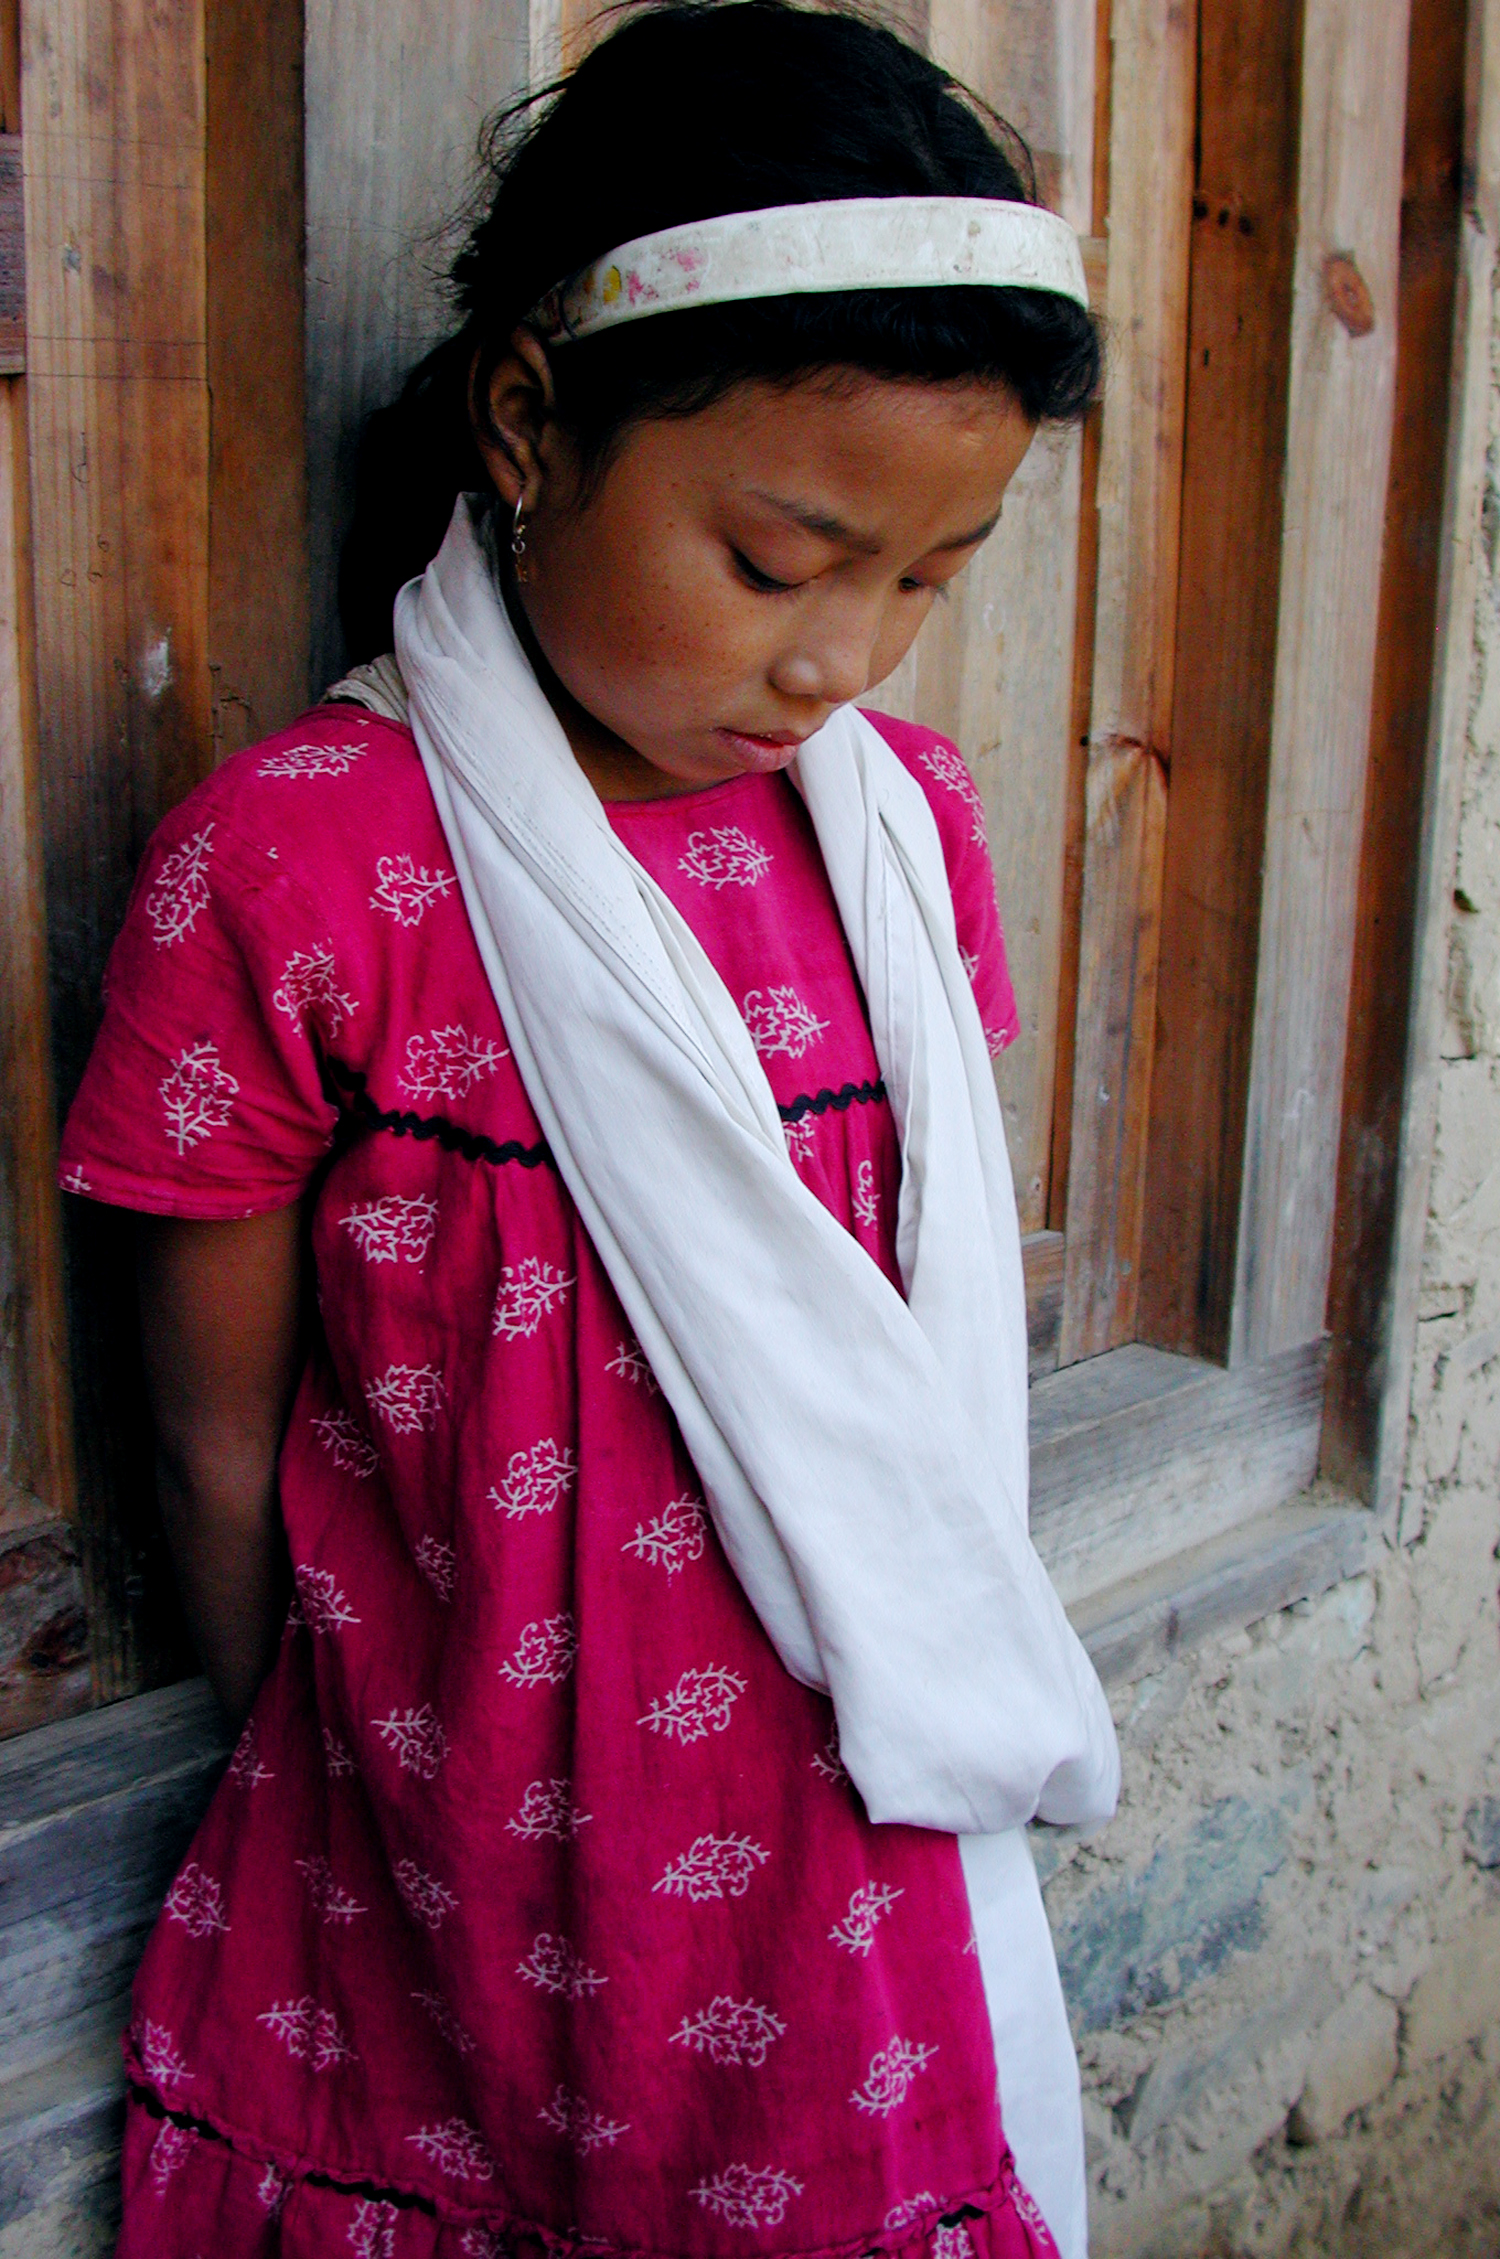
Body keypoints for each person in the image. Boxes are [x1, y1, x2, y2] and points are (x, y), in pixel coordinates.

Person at [60, 6, 1121, 2254]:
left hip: (837, 1887)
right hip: (434, 1866)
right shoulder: (304, 869)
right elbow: (218, 1454)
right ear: (532, 422)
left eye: (924, 579)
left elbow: (893, 1368)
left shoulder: (904, 844)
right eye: (777, 558)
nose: (844, 655)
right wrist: (368, 1777)